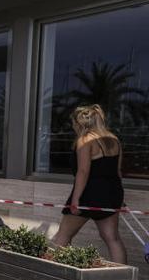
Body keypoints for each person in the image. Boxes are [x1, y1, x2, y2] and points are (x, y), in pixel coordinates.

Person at [50, 105, 126, 264]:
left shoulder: (85, 140)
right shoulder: (114, 139)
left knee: (63, 235)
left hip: (89, 194)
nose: (73, 127)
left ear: (80, 124)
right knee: (112, 238)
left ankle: (52, 274)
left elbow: (83, 172)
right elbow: (117, 172)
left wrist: (75, 200)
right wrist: (119, 197)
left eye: (73, 123)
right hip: (112, 192)